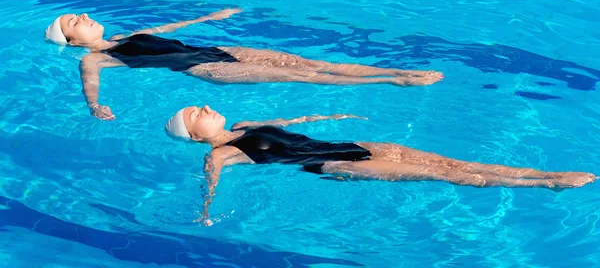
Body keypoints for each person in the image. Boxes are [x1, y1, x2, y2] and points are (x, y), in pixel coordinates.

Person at [165, 105, 597, 225]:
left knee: (452, 161)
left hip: (347, 143)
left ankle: (545, 174)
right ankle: (546, 186)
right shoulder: (217, 154)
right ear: (196, 134)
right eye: (195, 113)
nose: (204, 106)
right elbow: (212, 183)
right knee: (442, 175)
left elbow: (287, 124)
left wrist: (327, 118)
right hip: (332, 163)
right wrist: (206, 212)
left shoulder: (243, 123)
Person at [44, 9, 443, 120]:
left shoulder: (126, 36)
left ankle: (395, 70)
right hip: (208, 70)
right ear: (72, 42)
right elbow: (91, 87)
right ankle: (392, 83)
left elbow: (170, 27)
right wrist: (96, 107)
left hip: (219, 49)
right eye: (72, 24)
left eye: (77, 15)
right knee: (303, 77)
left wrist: (208, 19)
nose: (81, 19)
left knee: (307, 61)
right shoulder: (97, 58)